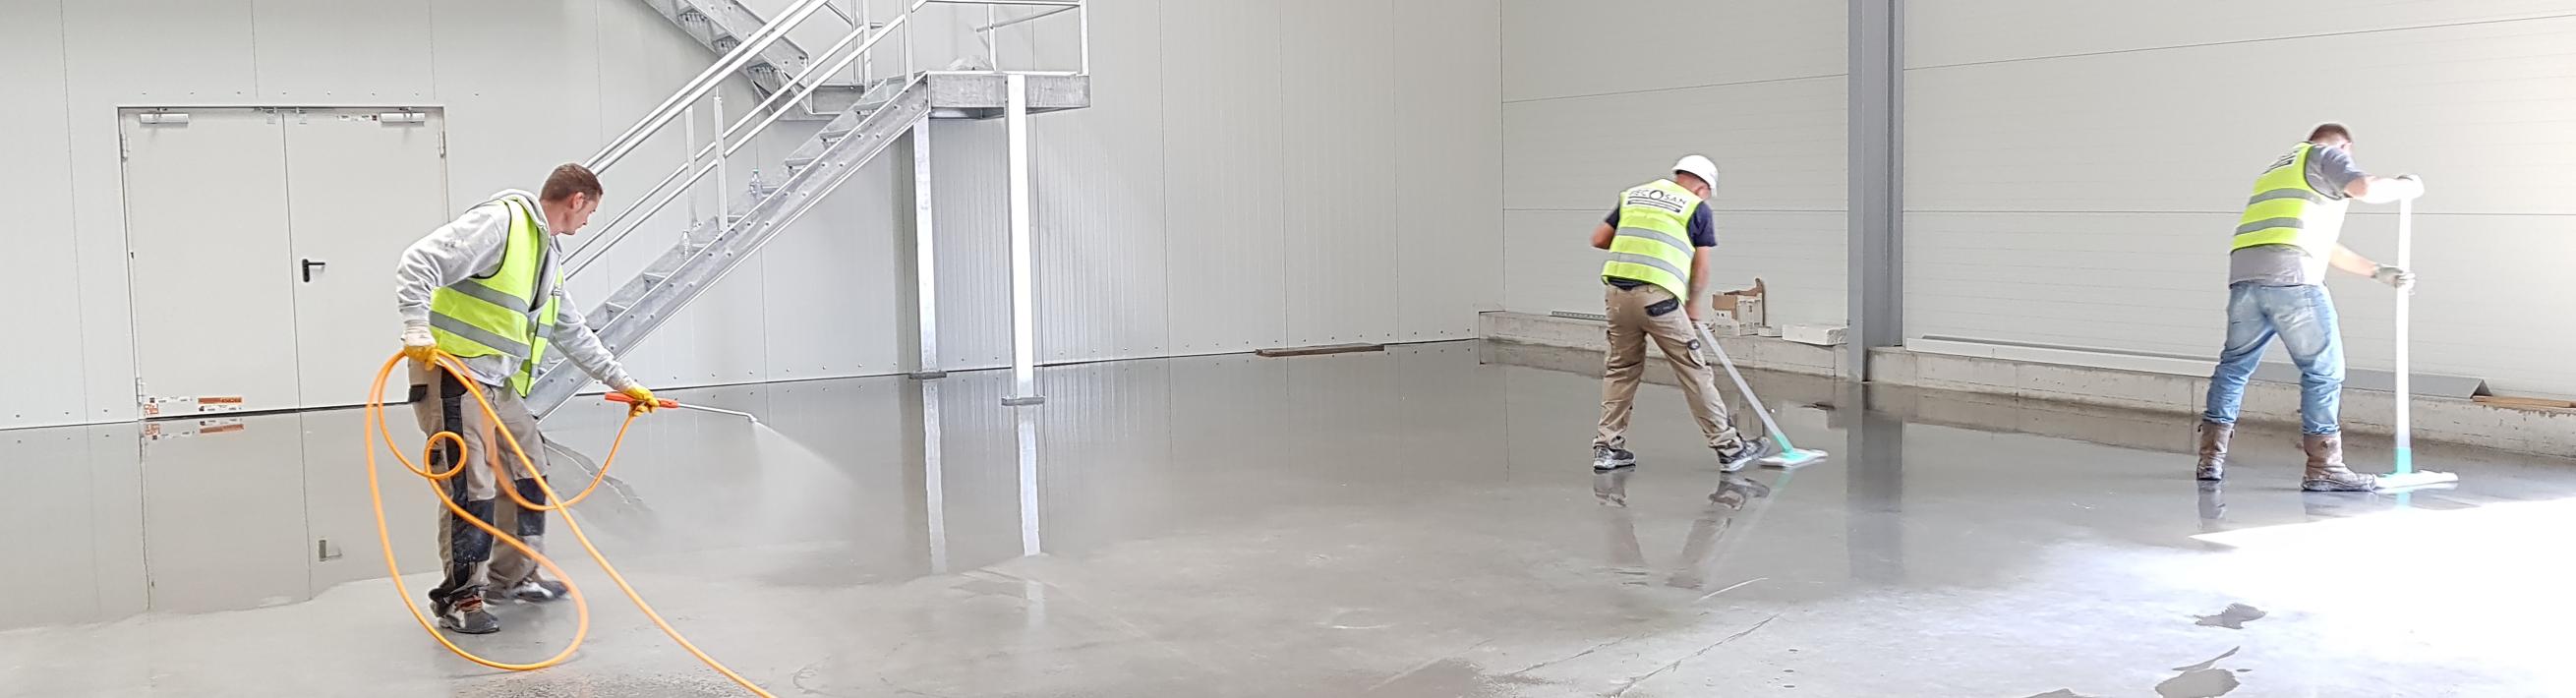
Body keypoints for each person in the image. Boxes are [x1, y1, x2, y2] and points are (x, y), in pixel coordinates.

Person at [393, 163, 661, 634]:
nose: (587, 222)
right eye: (591, 211)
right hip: (454, 373)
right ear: (577, 200)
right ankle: (462, 597)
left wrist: (622, 382)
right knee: (471, 485)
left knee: (528, 469)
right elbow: (419, 260)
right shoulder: (503, 223)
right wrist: (416, 327)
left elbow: (570, 329)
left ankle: (512, 578)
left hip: (498, 383)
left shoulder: (545, 256)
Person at [2195, 124, 2423, 491]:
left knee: (2234, 367)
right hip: (2293, 280)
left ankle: (2210, 459)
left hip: (2247, 281)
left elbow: (2322, 246)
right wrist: (2405, 186)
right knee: (2323, 371)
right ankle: (2324, 467)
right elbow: (2365, 188)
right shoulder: (2323, 155)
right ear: (2345, 147)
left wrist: (2378, 272)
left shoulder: (2276, 173)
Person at [1589, 155, 1774, 473]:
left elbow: (1599, 239)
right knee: (1693, 370)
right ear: (1703, 188)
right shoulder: (1696, 208)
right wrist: (1693, 304)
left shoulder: (1633, 196)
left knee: (1620, 370)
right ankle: (1730, 448)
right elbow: (1701, 268)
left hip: (1617, 297)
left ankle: (1607, 449)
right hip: (1658, 300)